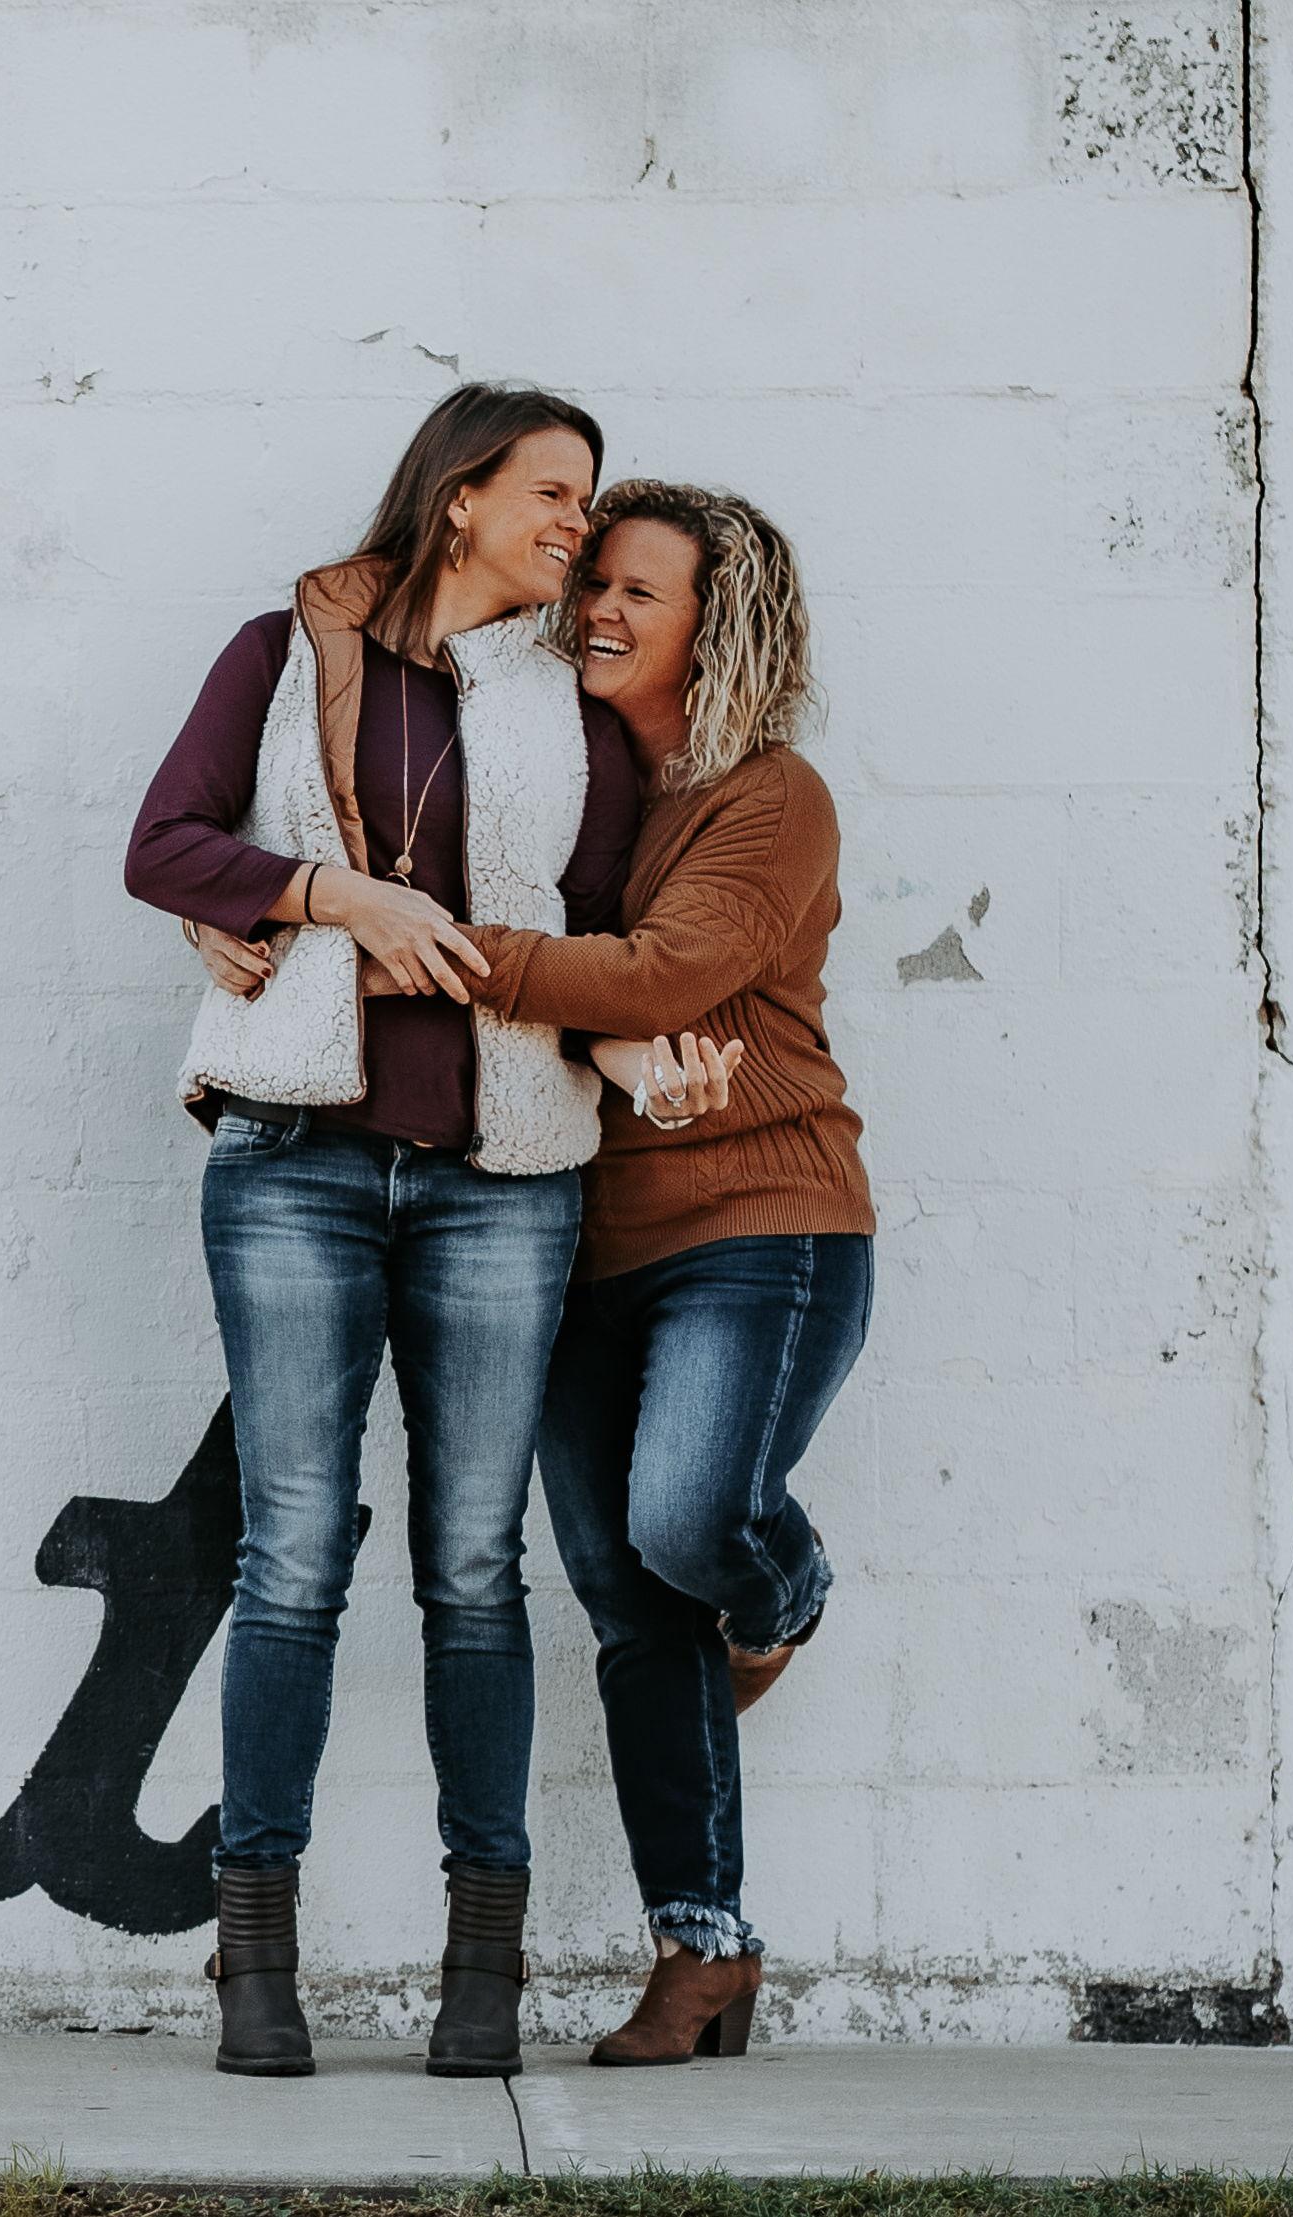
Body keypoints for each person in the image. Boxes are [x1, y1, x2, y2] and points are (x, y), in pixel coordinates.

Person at [195, 481, 867, 2067]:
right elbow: (335, 856)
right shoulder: (562, 764)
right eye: (595, 579)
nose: (598, 608)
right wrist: (256, 917)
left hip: (755, 1220)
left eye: (639, 590)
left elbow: (659, 972)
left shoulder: (769, 796)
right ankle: (705, 1943)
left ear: (721, 626)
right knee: (629, 1600)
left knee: (688, 1526)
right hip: (570, 1221)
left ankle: (788, 1592)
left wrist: (407, 940)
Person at [123, 383, 643, 2078]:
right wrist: (320, 892)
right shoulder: (279, 652)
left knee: (477, 1566)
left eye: (588, 499)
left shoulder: (572, 699)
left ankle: (481, 1969)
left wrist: (650, 1037)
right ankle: (255, 1955)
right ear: (460, 493)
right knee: (292, 1554)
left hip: (507, 1174)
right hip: (293, 1157)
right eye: (553, 492)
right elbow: (165, 844)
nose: (576, 524)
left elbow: (608, 925)